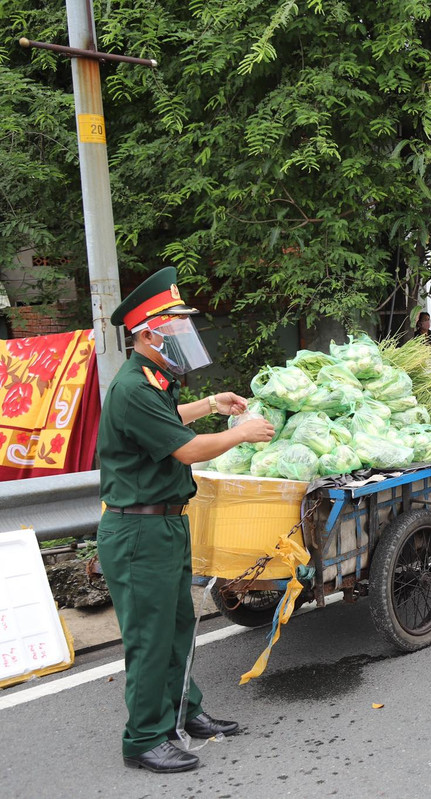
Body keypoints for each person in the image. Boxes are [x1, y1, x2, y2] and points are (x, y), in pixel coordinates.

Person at [97, 267, 276, 773]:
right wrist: (240, 433)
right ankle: (144, 739)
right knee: (150, 636)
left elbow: (169, 420)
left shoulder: (152, 382)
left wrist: (212, 404)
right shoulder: (132, 387)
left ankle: (185, 711)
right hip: (138, 530)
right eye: (174, 326)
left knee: (177, 628)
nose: (182, 334)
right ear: (148, 334)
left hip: (164, 524)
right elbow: (186, 449)